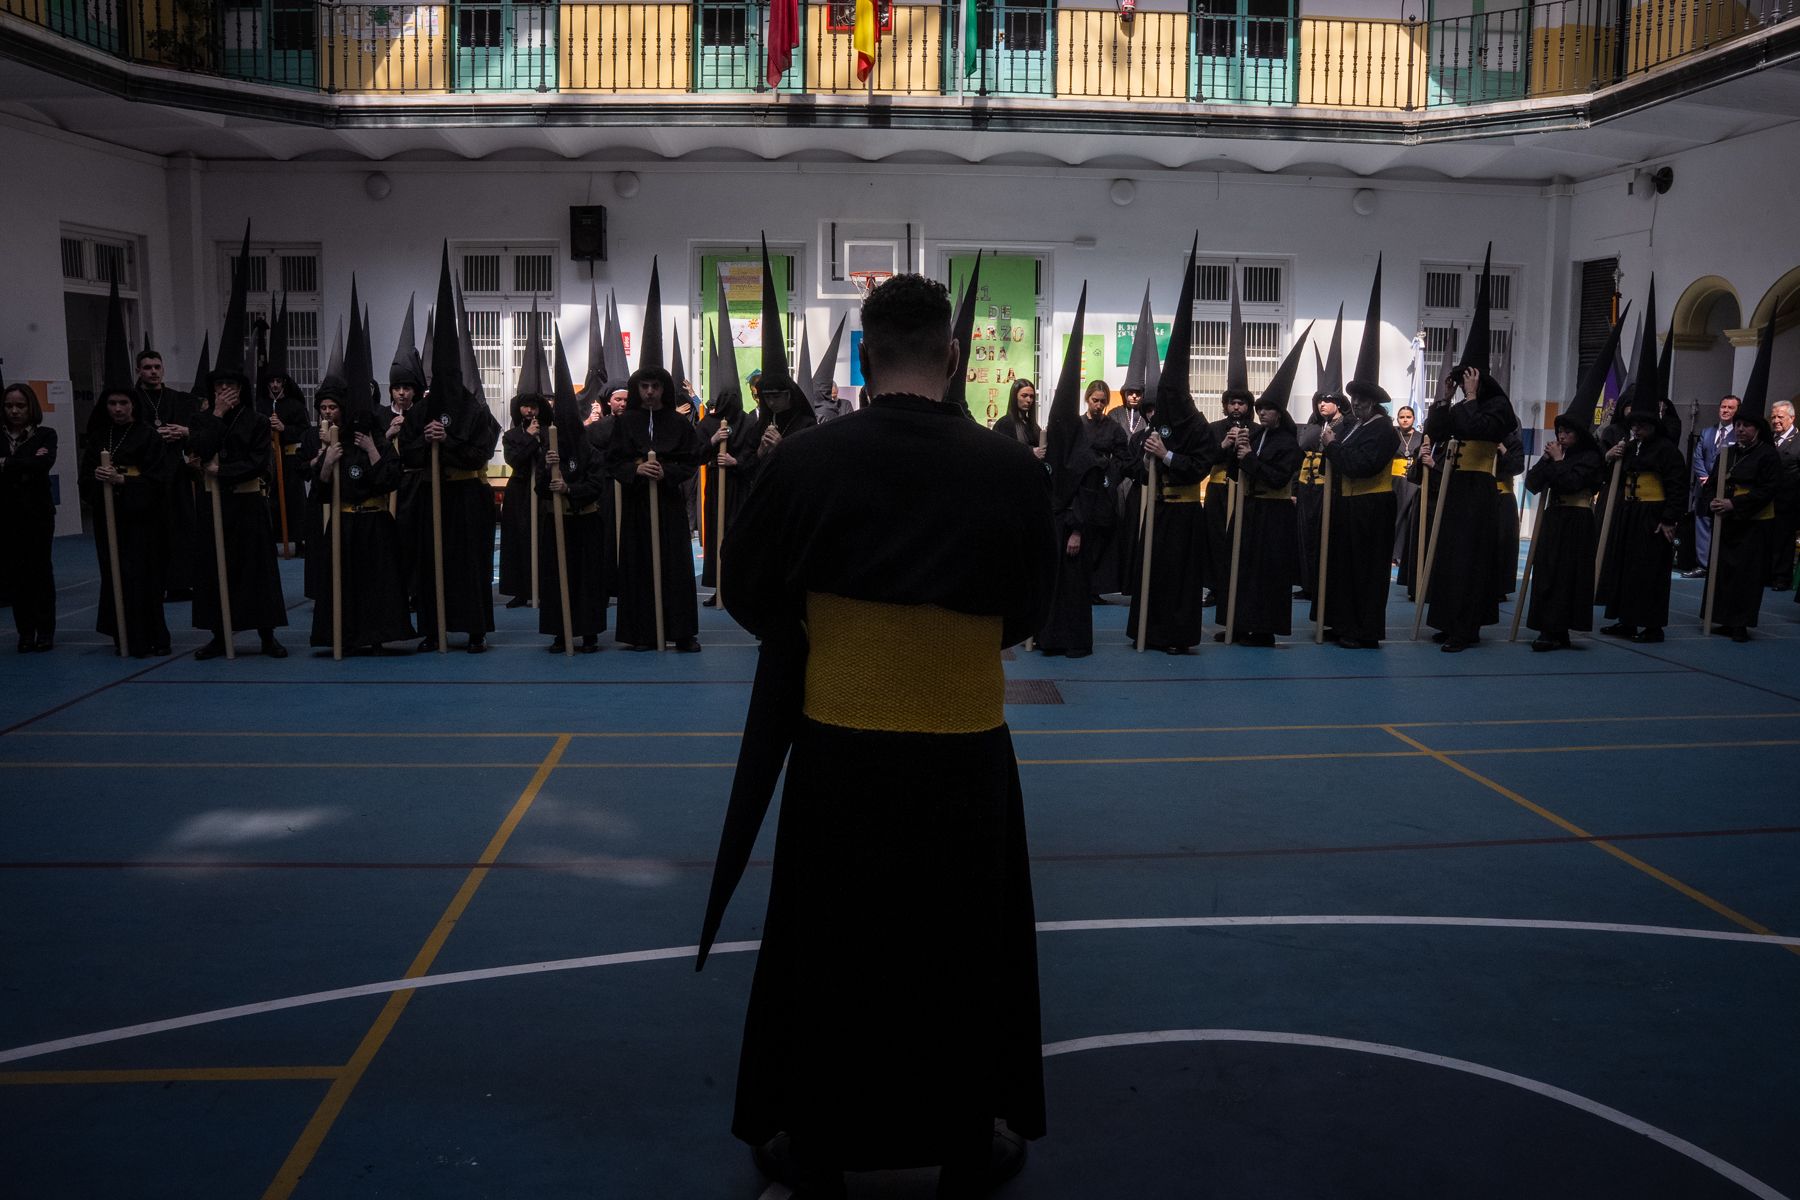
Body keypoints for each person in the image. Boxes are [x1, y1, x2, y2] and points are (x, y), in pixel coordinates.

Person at [701, 271, 1054, 1200]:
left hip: (839, 744)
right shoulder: (1011, 470)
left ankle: (819, 1148)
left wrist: (828, 628)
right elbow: (1030, 612)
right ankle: (964, 1147)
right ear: (951, 354)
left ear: (863, 352)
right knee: (961, 948)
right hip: (964, 746)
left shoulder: (807, 462)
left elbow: (743, 589)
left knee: (832, 946)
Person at [1419, 248, 1519, 652]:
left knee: (1469, 558)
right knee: (1447, 555)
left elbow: (1480, 430)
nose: (1462, 385)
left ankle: (1467, 627)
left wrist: (1475, 396)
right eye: (1460, 381)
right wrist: (1444, 398)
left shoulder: (1496, 407)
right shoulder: (1461, 402)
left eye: (1466, 379)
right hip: (1452, 485)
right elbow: (1436, 430)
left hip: (1479, 489)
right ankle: (1446, 620)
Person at [1127, 244, 1220, 654]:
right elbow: (1138, 458)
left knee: (1180, 576)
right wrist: (1146, 450)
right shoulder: (1159, 420)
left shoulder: (1197, 425)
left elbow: (1200, 466)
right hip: (1159, 510)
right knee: (1154, 574)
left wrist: (1166, 455)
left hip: (1184, 513)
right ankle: (1147, 631)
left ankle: (1176, 637)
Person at [1521, 307, 1623, 651]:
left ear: (1578, 434)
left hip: (1578, 519)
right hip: (1555, 517)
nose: (1561, 436)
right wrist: (1548, 460)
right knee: (1547, 571)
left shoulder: (1591, 457)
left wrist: (1559, 462)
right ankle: (1547, 625)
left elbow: (1573, 484)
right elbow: (1534, 483)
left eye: (1566, 432)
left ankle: (1557, 629)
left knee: (1568, 575)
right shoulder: (1557, 453)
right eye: (1559, 431)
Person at [307, 337, 413, 656]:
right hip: (343, 522)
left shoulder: (377, 439)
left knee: (377, 581)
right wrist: (327, 463)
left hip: (375, 522)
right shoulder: (335, 443)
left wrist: (372, 450)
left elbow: (390, 480)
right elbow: (322, 491)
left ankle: (378, 633)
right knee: (343, 581)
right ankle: (344, 634)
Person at [1315, 261, 1397, 650]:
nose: (1358, 404)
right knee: (1345, 568)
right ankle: (1343, 623)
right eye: (1356, 399)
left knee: (1366, 571)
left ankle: (1364, 631)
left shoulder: (1383, 430)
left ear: (1376, 402)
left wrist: (1333, 448)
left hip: (1371, 506)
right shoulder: (1355, 426)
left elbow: (1363, 466)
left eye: (1364, 399)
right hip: (1349, 506)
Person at [189, 360, 289, 660]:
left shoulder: (257, 421)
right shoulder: (201, 420)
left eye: (230, 387)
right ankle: (219, 636)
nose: (225, 392)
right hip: (214, 504)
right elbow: (200, 451)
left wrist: (222, 471)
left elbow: (258, 462)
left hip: (248, 503)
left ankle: (267, 636)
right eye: (219, 387)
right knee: (215, 568)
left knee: (257, 569)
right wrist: (217, 415)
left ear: (241, 389)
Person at [1216, 327, 1310, 647]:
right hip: (1249, 507)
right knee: (1240, 566)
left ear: (1279, 412)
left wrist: (1249, 458)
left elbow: (1276, 477)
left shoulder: (1288, 443)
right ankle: (1238, 622)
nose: (1262, 413)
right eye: (1260, 409)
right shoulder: (1255, 435)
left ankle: (1264, 627)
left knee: (1267, 570)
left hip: (1274, 511)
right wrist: (1231, 448)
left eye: (1267, 409)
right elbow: (1234, 470)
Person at [606, 363, 704, 651]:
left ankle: (682, 631)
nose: (649, 392)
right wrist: (635, 471)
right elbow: (612, 461)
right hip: (637, 504)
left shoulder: (678, 423)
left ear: (664, 389)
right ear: (638, 389)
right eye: (644, 387)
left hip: (668, 504)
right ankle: (642, 632)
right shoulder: (625, 423)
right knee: (638, 564)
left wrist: (666, 472)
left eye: (655, 387)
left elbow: (690, 461)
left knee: (676, 564)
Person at [1037, 304, 1110, 658]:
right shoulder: (1053, 452)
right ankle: (1049, 638)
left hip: (1072, 530)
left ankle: (1074, 641)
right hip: (1052, 527)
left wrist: (1078, 531)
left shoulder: (1083, 457)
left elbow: (1086, 494)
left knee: (1073, 586)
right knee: (1051, 585)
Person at [81, 385, 171, 657]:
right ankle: (123, 634)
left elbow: (158, 479)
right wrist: (98, 477)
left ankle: (153, 636)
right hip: (110, 519)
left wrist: (123, 481)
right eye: (112, 403)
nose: (118, 409)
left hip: (142, 520)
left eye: (123, 403)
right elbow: (85, 480)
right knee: (115, 574)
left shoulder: (148, 436)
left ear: (133, 405)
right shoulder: (99, 438)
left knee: (144, 575)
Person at [1706, 325, 1782, 642]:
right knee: (1723, 571)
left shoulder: (1768, 455)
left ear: (1757, 429)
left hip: (1752, 521)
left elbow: (1768, 490)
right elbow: (1714, 478)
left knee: (1746, 575)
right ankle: (1720, 616)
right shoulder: (1731, 451)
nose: (1740, 430)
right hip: (1728, 519)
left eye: (1746, 426)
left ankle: (1740, 622)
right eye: (1738, 425)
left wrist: (1735, 503)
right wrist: (1712, 500)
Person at [537, 331, 610, 653]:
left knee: (588, 578)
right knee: (556, 578)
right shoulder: (548, 451)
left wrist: (568, 487)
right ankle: (560, 631)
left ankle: (589, 632)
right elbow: (540, 488)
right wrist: (547, 468)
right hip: (557, 522)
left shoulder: (591, 451)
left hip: (585, 522)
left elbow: (596, 485)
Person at [1596, 387, 1687, 644]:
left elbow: (1677, 486)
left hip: (1653, 516)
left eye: (1642, 424)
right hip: (1629, 513)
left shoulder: (1667, 450)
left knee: (1650, 570)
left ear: (1653, 425)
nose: (1636, 428)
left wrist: (1669, 519)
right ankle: (1626, 620)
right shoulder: (1631, 447)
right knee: (1626, 567)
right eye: (1634, 424)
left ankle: (1652, 625)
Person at [138, 343, 201, 601]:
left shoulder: (178, 399)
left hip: (176, 472)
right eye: (147, 368)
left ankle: (182, 582)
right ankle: (154, 581)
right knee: (152, 529)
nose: (153, 372)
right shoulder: (132, 400)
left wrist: (181, 432)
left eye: (157, 367)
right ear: (139, 371)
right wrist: (154, 435)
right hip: (146, 473)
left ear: (163, 369)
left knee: (182, 526)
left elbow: (193, 433)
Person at [3, 381, 59, 651]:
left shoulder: (45, 434)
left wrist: (6, 463)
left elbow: (42, 465)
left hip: (38, 514)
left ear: (30, 407)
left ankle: (45, 630)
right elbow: (32, 463)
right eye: (9, 406)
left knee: (40, 571)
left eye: (20, 406)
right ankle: (25, 632)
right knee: (17, 574)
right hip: (7, 514)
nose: (14, 411)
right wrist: (26, 463)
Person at [1295, 313, 1344, 602]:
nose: (1322, 404)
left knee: (1327, 538)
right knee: (1307, 536)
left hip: (1331, 489)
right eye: (1319, 400)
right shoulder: (1312, 426)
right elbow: (1301, 450)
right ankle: (1308, 584)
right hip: (1307, 489)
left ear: (1338, 402)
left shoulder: (1345, 426)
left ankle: (1324, 586)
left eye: (1327, 400)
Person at [1684, 393, 1739, 578]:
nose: (1725, 410)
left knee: (1724, 527)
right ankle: (1703, 565)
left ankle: (1720, 565)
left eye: (1730, 408)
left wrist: (1718, 480)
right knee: (1702, 525)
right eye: (1723, 407)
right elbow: (1698, 457)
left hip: (1726, 489)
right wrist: (1704, 478)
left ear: (1737, 411)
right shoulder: (1707, 432)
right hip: (1703, 488)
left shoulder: (1738, 435)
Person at [1767, 398, 1797, 590]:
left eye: (1780, 417)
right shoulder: (1768, 440)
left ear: (1791, 418)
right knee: (1768, 538)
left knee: (1784, 541)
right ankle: (1767, 574)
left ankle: (1781, 577)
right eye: (1773, 417)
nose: (1776, 420)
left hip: (1790, 501)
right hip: (1767, 500)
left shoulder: (1798, 441)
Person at [1391, 403, 1424, 564]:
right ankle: (1392, 553)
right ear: (1397, 419)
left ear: (1413, 418)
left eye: (1408, 417)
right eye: (1402, 417)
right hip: (1394, 480)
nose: (1405, 420)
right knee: (1395, 515)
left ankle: (1406, 554)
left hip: (1412, 481)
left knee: (1410, 516)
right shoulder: (1392, 435)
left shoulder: (1420, 437)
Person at [992, 379, 1045, 457]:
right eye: (1024, 396)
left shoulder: (1032, 425)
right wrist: (1030, 451)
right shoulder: (1004, 424)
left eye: (1031, 396)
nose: (1029, 400)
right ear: (1014, 397)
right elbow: (1001, 451)